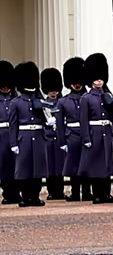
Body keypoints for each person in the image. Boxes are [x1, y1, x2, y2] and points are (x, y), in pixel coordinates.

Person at [8, 62, 52, 207]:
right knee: (24, 169)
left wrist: (49, 122)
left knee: (37, 168)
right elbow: (13, 124)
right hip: (24, 137)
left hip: (39, 136)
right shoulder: (16, 103)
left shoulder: (40, 101)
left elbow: (45, 119)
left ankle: (35, 196)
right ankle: (25, 196)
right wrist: (14, 143)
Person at [78, 53, 113, 205]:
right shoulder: (86, 98)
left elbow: (112, 116)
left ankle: (106, 194)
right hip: (94, 133)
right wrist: (86, 138)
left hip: (106, 133)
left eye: (101, 78)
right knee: (96, 165)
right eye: (96, 78)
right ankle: (97, 195)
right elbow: (83, 121)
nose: (99, 81)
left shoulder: (107, 96)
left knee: (107, 164)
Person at [55, 57, 91, 202]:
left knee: (87, 164)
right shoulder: (63, 101)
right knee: (73, 165)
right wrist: (62, 140)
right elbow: (60, 123)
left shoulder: (88, 98)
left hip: (87, 134)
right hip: (72, 135)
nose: (76, 84)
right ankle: (75, 192)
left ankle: (87, 192)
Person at [40, 67, 65, 200]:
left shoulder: (62, 102)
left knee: (60, 167)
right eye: (50, 90)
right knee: (50, 167)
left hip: (59, 138)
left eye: (55, 90)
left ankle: (60, 191)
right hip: (48, 138)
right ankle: (51, 191)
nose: (53, 93)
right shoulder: (43, 104)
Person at [0, 61, 18, 205]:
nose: (5, 87)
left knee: (16, 165)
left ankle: (16, 192)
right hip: (1, 136)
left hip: (15, 134)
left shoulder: (15, 99)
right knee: (4, 165)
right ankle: (7, 192)